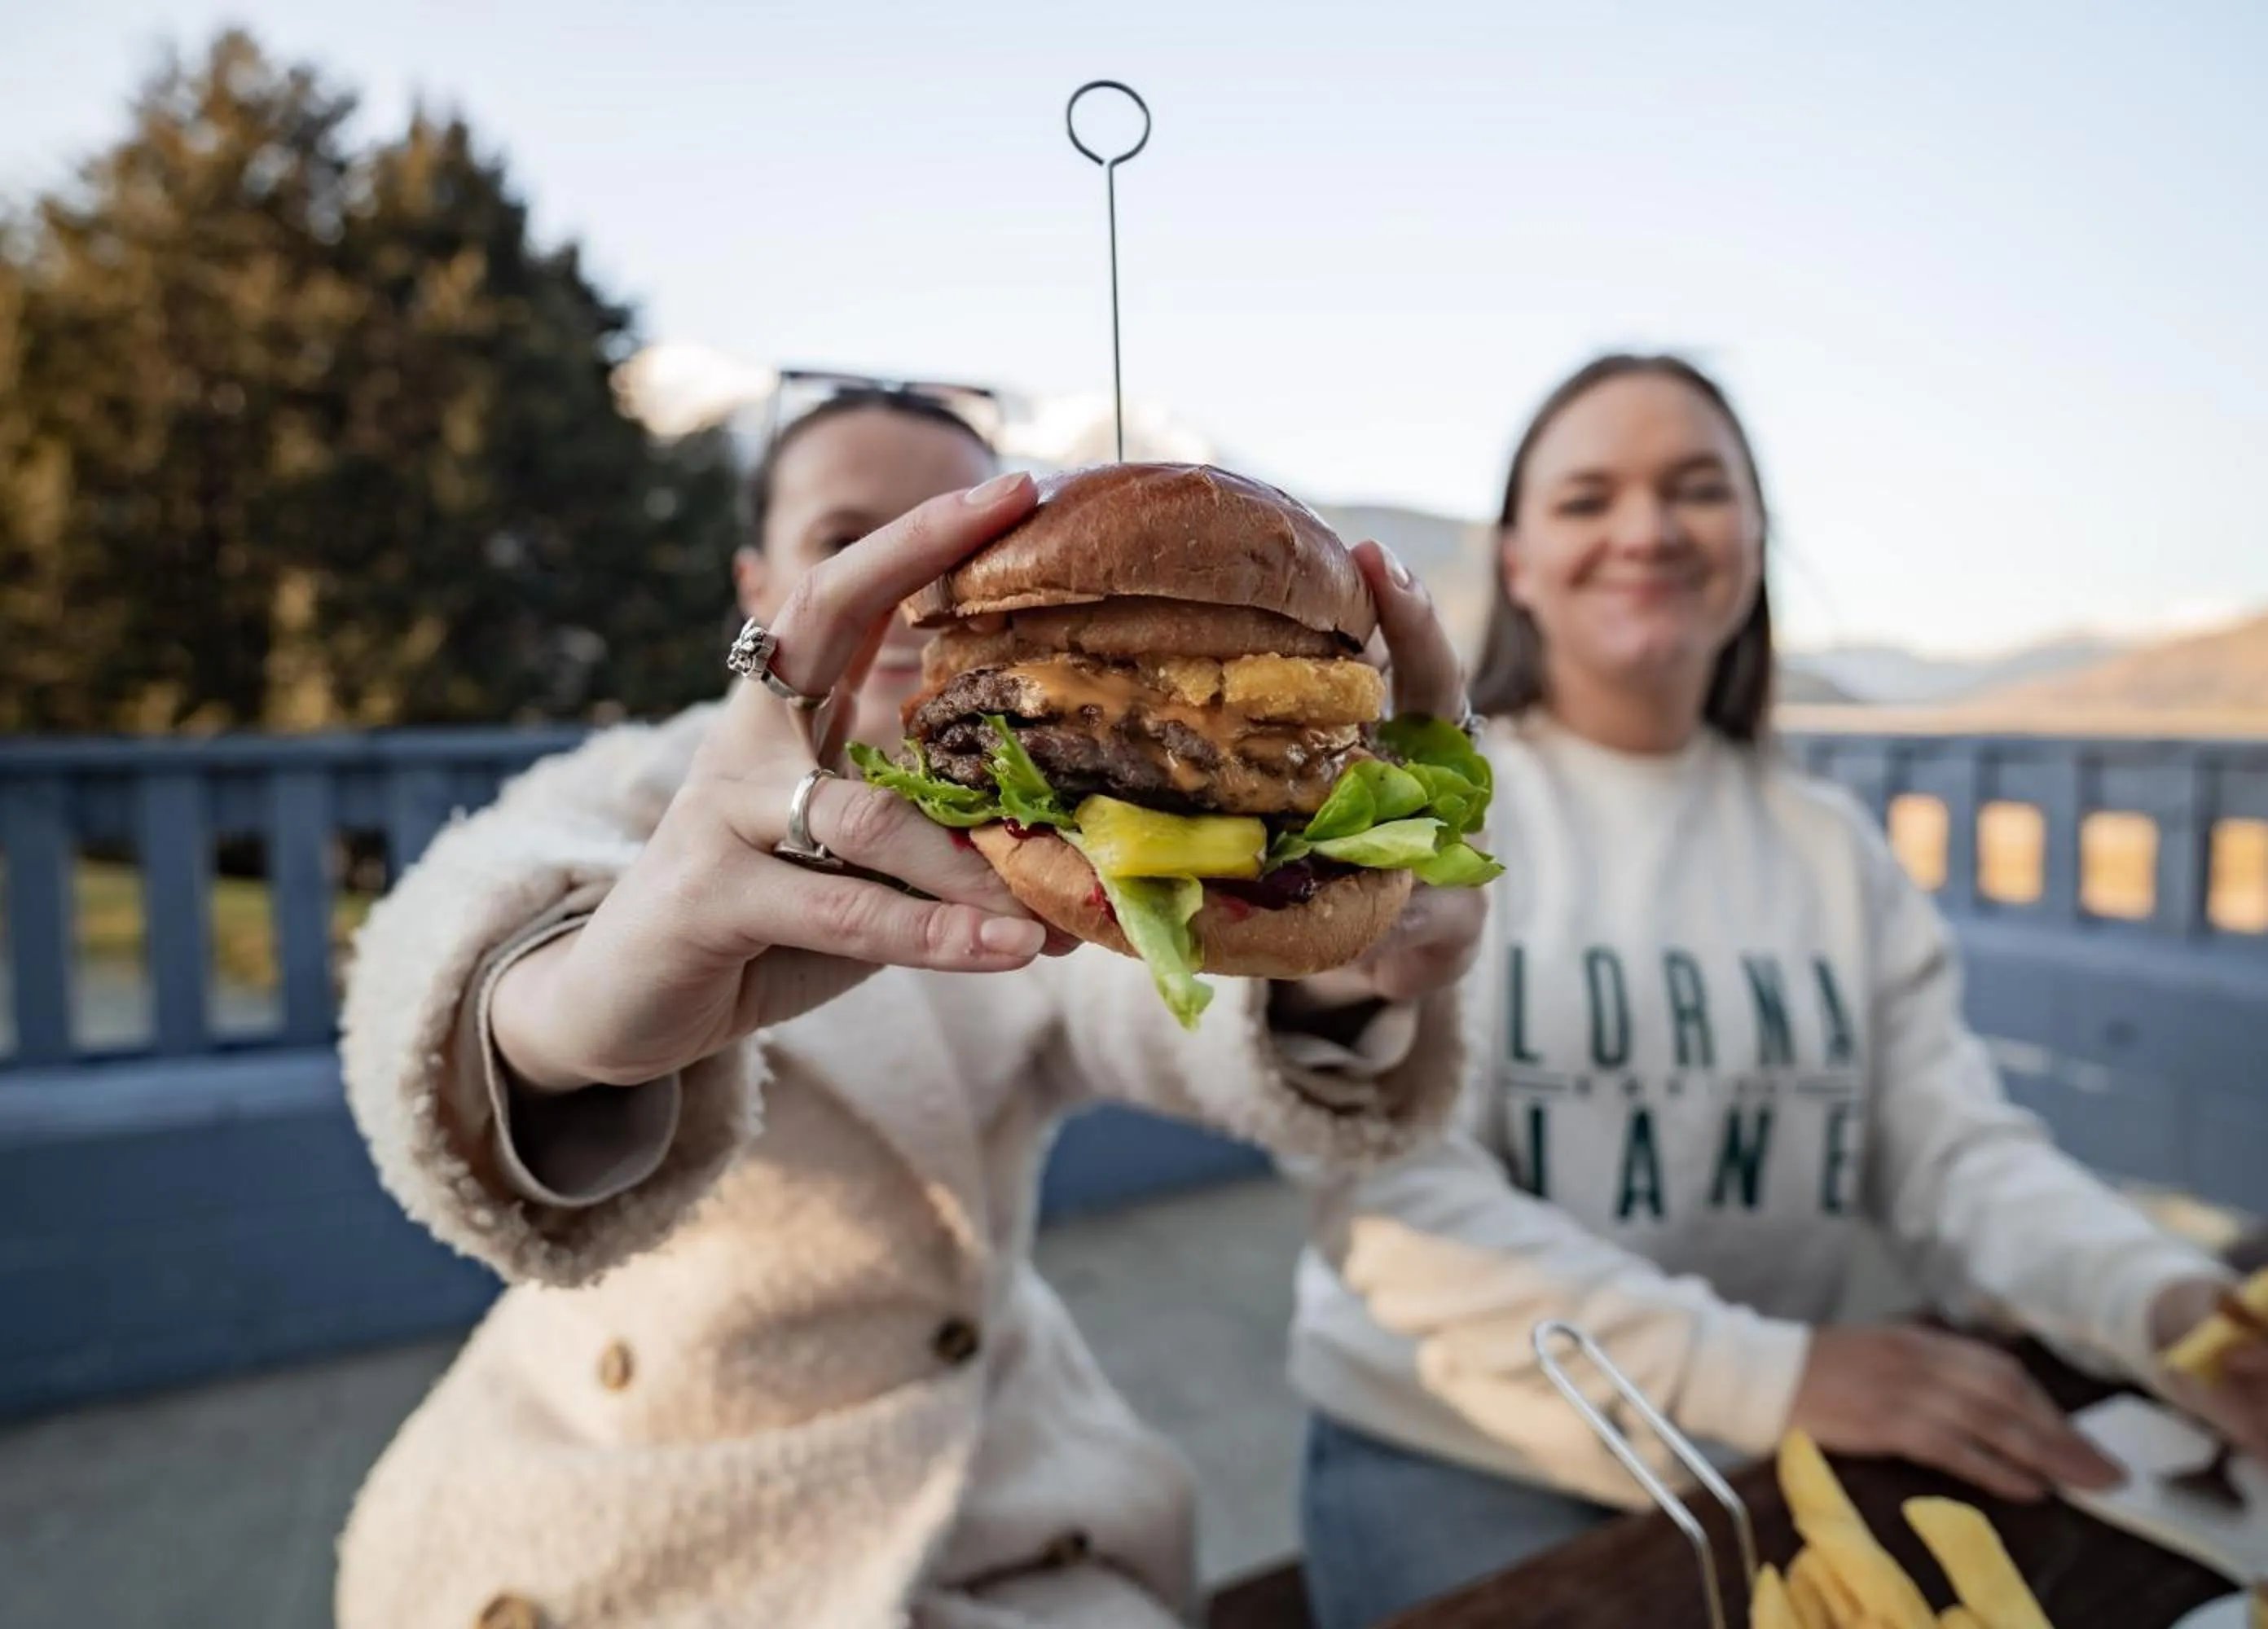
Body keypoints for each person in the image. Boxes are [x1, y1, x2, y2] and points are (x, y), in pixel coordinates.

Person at [332, 387, 1488, 1629]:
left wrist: (1348, 954)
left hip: (977, 1505)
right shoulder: (634, 784)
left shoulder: (1047, 835)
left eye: (955, 543)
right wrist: (563, 1013)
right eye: (848, 542)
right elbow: (454, 917)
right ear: (755, 580)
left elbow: (1146, 1004)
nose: (904, 585)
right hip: (605, 1505)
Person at [1286, 354, 2268, 1627]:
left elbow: (1953, 1157)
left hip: (1771, 1447)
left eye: (1696, 489)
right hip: (1471, 1451)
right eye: (1588, 500)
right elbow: (1395, 1201)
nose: (1645, 529)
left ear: (1753, 541)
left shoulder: (1832, 848)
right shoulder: (1425, 818)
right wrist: (1773, 1371)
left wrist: (2164, 1305)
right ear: (1516, 561)